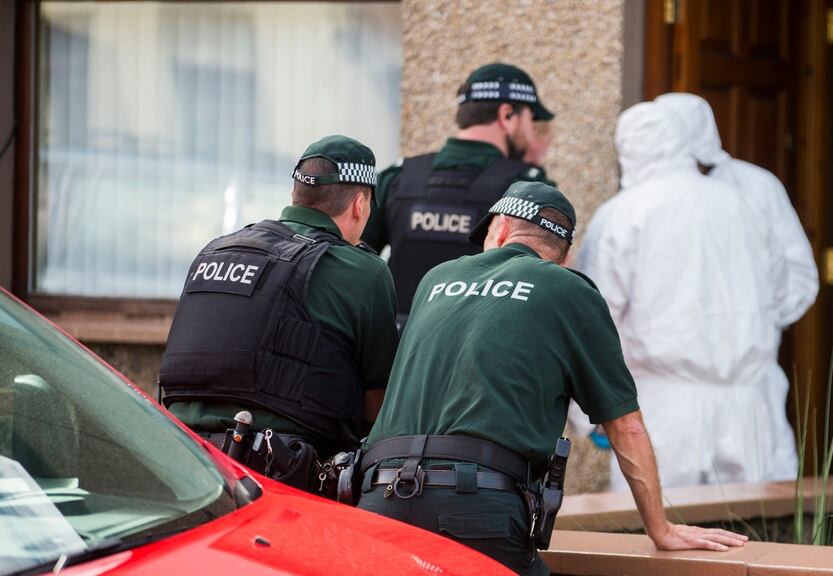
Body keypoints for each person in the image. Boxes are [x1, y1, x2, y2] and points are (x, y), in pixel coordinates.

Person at [357, 181, 747, 575]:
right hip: (476, 507)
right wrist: (660, 530)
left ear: (502, 229)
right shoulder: (568, 290)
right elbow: (625, 427)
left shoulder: (435, 280)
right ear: (565, 257)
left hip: (379, 498)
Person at [159, 135, 399, 492]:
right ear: (359, 205)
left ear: (294, 195)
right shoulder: (363, 271)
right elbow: (378, 406)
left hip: (177, 460)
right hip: (280, 478)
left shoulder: (217, 250)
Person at [576, 101, 795, 490]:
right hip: (751, 408)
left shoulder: (623, 214)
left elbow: (590, 320)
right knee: (755, 538)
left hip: (662, 412)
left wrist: (588, 413)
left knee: (662, 538)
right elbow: (783, 290)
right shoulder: (743, 205)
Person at [656, 93, 820, 482]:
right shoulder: (650, 193)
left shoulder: (757, 187)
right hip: (669, 394)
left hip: (747, 386)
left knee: (752, 514)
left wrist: (746, 322)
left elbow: (797, 277)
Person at [361, 62, 556, 327]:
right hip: (478, 354)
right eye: (530, 119)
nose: (531, 131)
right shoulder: (527, 188)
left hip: (398, 357)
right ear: (507, 115)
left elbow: (351, 262)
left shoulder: (399, 177)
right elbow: (544, 283)